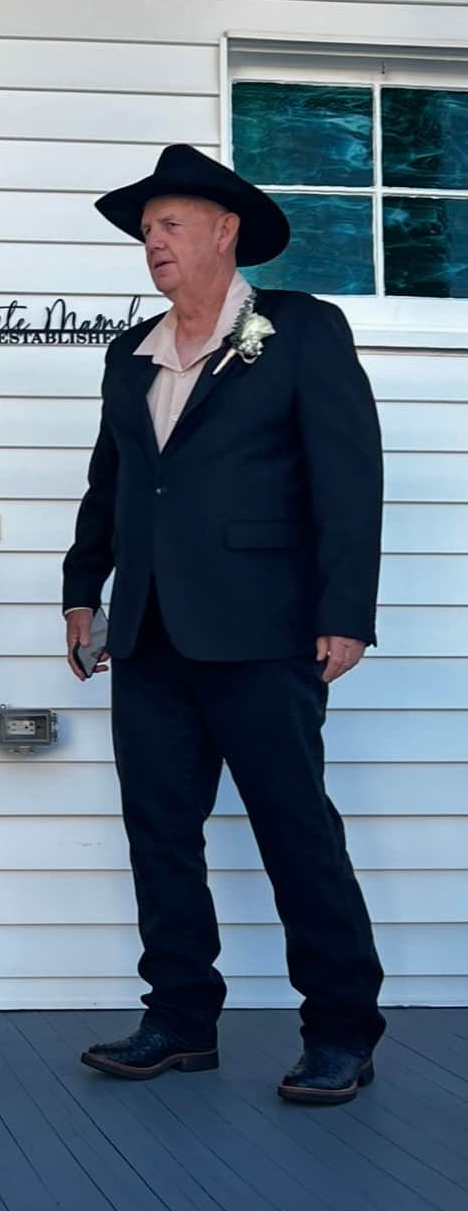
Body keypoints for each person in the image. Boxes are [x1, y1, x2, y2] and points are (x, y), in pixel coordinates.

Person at [62, 145, 385, 1106]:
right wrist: (83, 591)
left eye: (167, 225)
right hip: (150, 633)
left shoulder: (299, 330)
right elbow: (111, 485)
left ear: (222, 232)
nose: (151, 243)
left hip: (267, 629)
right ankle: (179, 1021)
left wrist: (344, 612)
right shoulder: (131, 355)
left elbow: (348, 475)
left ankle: (339, 1031)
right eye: (145, 230)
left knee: (295, 832)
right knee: (158, 832)